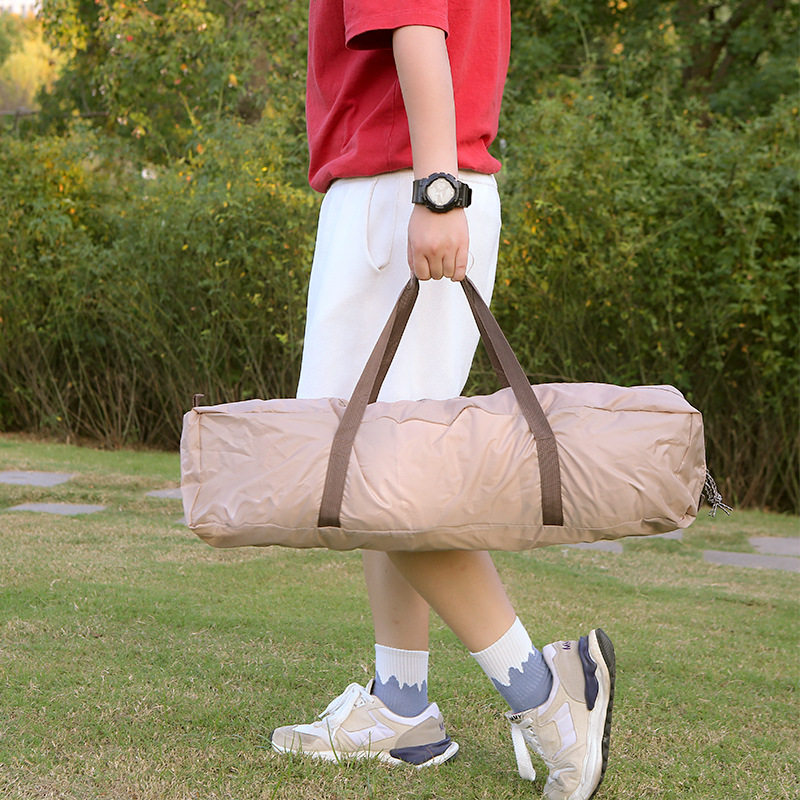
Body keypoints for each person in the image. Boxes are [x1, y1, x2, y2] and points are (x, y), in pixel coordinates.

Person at [269, 3, 616, 798]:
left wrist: (435, 191)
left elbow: (417, 26)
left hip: (402, 190)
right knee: (388, 472)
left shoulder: (422, 188)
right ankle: (402, 706)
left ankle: (547, 694)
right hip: (403, 185)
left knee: (375, 476)